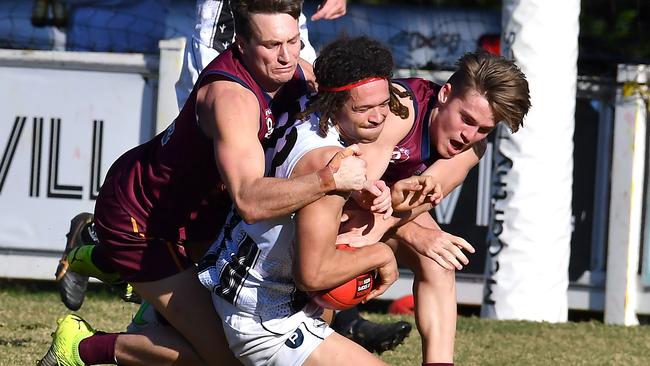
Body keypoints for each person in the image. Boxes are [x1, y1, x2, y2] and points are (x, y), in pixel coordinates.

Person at [38, 1, 379, 365]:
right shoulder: (231, 99)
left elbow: (350, 113)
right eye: (271, 45)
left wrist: (375, 183)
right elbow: (249, 200)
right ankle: (81, 345)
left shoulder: (298, 74)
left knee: (219, 326)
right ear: (241, 44)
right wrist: (329, 179)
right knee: (227, 357)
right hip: (143, 223)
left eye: (293, 41)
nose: (286, 56)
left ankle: (106, 264)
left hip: (203, 218)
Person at [197, 35, 437, 366]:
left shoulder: (305, 106)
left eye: (384, 103)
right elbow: (313, 275)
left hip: (236, 275)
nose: (379, 117)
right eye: (363, 108)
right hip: (267, 316)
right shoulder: (333, 165)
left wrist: (382, 197)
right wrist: (380, 255)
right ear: (334, 104)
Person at [335, 49, 531, 365]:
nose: (469, 135)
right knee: (348, 248)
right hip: (329, 197)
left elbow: (416, 201)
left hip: (376, 209)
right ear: (445, 94)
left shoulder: (472, 148)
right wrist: (413, 232)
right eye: (466, 119)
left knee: (438, 261)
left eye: (483, 129)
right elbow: (356, 190)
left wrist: (404, 223)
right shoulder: (400, 109)